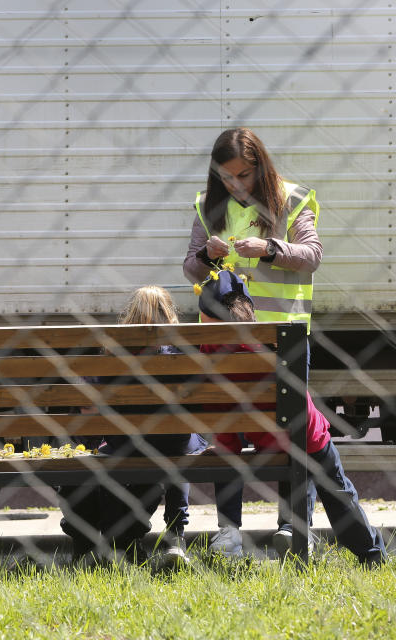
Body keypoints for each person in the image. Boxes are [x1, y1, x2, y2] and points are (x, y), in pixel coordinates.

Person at [198, 270, 387, 566]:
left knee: (302, 461)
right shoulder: (270, 345)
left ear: (206, 317)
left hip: (263, 442)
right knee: (338, 491)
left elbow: (221, 417)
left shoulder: (206, 354)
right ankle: (370, 553)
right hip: (304, 437)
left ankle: (289, 529)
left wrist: (228, 448)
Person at [58, 286, 207, 567]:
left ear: (130, 316)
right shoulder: (182, 348)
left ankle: (114, 541)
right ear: (170, 314)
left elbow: (93, 402)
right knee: (182, 444)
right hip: (173, 441)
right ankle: (175, 535)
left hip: (125, 442)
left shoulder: (114, 350)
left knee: (105, 459)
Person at [183, 128, 322, 335]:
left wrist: (269, 249)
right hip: (221, 328)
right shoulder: (207, 205)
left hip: (281, 329)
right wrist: (206, 256)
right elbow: (191, 271)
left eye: (244, 175)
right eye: (227, 177)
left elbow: (312, 257)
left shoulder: (291, 200)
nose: (236, 185)